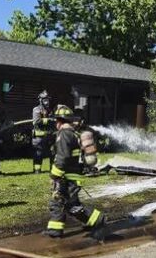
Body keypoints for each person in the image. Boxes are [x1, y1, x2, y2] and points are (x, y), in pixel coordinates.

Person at [43, 105, 105, 238]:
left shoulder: (64, 134)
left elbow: (63, 157)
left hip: (66, 177)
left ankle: (55, 231)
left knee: (59, 202)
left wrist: (54, 175)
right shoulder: (73, 134)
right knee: (70, 204)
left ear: (59, 121)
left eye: (56, 121)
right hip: (72, 176)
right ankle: (96, 219)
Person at [31, 90, 56, 173]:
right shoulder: (36, 109)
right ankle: (37, 170)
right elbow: (36, 121)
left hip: (50, 135)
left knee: (53, 152)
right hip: (39, 136)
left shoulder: (50, 110)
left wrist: (52, 121)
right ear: (40, 100)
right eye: (45, 100)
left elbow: (54, 121)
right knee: (38, 153)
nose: (47, 102)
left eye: (48, 100)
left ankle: (53, 169)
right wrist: (49, 120)